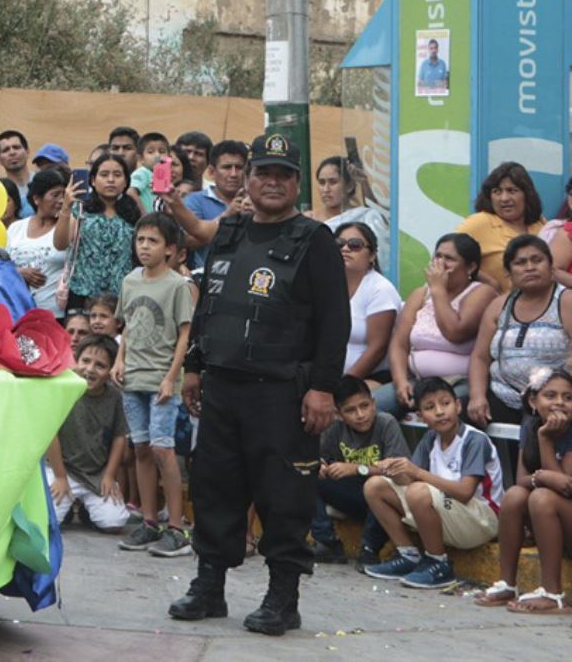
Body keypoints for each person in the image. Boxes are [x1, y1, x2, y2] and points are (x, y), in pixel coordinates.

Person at [168, 133, 349, 636]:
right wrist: (196, 366)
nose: (272, 182)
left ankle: (282, 598)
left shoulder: (315, 241)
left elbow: (336, 323)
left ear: (296, 183)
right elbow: (209, 306)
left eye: (284, 174)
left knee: (284, 495)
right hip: (223, 386)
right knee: (214, 488)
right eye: (263, 173)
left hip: (283, 392)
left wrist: (324, 389)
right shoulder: (229, 231)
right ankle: (209, 587)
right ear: (246, 179)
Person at [362, 377, 501, 588]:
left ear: (458, 405)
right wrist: (392, 468)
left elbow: (465, 492)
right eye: (429, 407)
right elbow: (410, 478)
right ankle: (409, 555)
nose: (439, 411)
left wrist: (416, 472)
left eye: (445, 403)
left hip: (481, 519)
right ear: (420, 416)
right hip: (452, 511)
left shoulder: (474, 440)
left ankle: (439, 563)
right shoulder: (430, 439)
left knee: (419, 490)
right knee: (375, 486)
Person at [114, 212, 195, 558]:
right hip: (133, 375)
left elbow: (184, 334)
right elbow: (129, 325)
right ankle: (149, 523)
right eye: (141, 240)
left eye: (153, 241)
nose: (145, 247)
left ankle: (176, 528)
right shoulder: (131, 281)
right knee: (141, 449)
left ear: (170, 249)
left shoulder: (178, 285)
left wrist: (170, 377)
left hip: (161, 378)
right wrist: (120, 359)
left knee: (164, 450)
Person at [475, 367, 572, 612]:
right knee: (515, 496)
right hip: (558, 518)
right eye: (550, 395)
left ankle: (554, 594)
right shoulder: (531, 426)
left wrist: (546, 442)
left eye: (568, 397)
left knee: (542, 498)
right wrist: (543, 474)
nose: (560, 403)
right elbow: (521, 480)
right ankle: (507, 583)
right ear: (532, 400)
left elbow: (565, 487)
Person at [379, 233, 497, 415]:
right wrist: (400, 381)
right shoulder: (420, 294)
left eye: (449, 259)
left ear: (471, 267)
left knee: (441, 412)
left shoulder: (482, 293)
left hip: (459, 382)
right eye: (438, 256)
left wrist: (438, 290)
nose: (440, 264)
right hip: (418, 380)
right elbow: (399, 344)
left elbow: (455, 332)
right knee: (373, 407)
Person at [469, 234, 572, 430]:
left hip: (551, 400)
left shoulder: (566, 301)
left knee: (534, 434)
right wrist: (477, 396)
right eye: (520, 263)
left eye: (537, 260)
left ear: (551, 268)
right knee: (457, 416)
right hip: (502, 394)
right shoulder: (499, 305)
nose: (530, 267)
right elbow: (480, 357)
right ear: (509, 273)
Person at [309, 375, 407, 566]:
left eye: (364, 406)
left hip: (384, 500)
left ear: (374, 403)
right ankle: (327, 541)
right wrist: (319, 466)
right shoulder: (335, 428)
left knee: (378, 487)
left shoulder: (386, 424)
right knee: (307, 474)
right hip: (354, 496)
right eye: (350, 410)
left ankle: (370, 549)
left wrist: (358, 469)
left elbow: (400, 473)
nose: (360, 415)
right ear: (338, 413)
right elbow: (320, 458)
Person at [48, 335, 130, 533]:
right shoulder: (63, 388)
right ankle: (68, 505)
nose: (90, 369)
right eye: (85, 361)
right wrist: (60, 477)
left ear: (111, 369)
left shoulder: (114, 396)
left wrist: (109, 476)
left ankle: (86, 508)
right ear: (76, 360)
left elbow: (120, 437)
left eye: (100, 365)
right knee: (48, 521)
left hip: (96, 474)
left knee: (114, 522)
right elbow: (51, 434)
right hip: (62, 470)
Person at [55, 153, 138, 312]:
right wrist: (66, 207)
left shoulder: (133, 212)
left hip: (121, 297)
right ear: (92, 180)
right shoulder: (80, 209)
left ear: (126, 181)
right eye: (104, 174)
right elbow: (60, 244)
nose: (111, 180)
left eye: (117, 175)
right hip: (82, 294)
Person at [167, 138, 248, 278]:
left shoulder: (255, 202)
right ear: (211, 171)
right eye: (227, 167)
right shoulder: (194, 200)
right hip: (207, 279)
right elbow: (188, 242)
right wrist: (228, 215)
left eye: (239, 167)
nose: (234, 174)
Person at [457, 162, 547, 290]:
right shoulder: (479, 222)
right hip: (494, 307)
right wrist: (491, 284)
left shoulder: (540, 224)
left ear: (527, 194)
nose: (504, 198)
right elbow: (446, 259)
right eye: (497, 192)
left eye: (512, 191)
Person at [337, 223, 401, 382]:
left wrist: (346, 384)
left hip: (369, 378)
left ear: (372, 255)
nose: (345, 249)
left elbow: (377, 349)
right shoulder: (326, 285)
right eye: (339, 244)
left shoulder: (380, 289)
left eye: (355, 245)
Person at [8, 167, 70, 316]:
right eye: (55, 195)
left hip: (54, 315)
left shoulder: (68, 226)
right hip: (17, 313)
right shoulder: (16, 228)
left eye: (64, 195)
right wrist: (18, 273)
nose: (61, 200)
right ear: (36, 199)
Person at [313, 155, 388, 245]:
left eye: (333, 182)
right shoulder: (309, 219)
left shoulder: (363, 216)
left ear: (349, 186)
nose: (326, 189)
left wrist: (364, 182)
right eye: (322, 183)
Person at [132, 131, 171, 205]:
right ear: (141, 159)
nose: (157, 155)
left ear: (169, 157)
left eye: (162, 151)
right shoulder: (143, 172)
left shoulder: (164, 176)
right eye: (150, 152)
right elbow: (131, 192)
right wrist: (143, 214)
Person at [0, 129, 31, 195]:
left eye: (16, 147)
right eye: (5, 150)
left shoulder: (44, 183)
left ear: (27, 152)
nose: (12, 153)